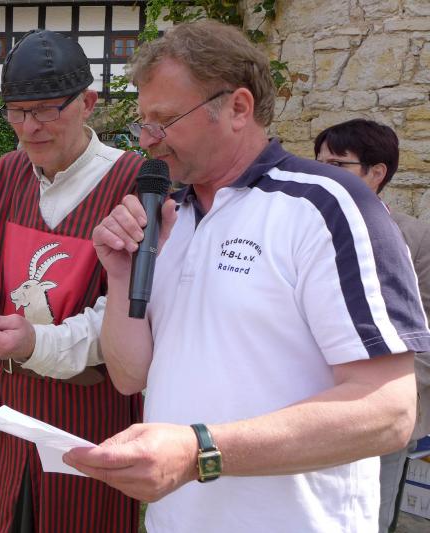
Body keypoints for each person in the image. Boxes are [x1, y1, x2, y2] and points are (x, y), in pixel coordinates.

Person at [62, 20, 430, 533]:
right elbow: (130, 376)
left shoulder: (327, 207)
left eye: (165, 120)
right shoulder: (170, 217)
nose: (147, 140)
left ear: (238, 107)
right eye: (144, 122)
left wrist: (200, 452)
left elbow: (387, 411)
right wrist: (121, 276)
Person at [0, 29, 145, 532]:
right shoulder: (6, 174)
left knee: (80, 520)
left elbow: (130, 316)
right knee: (7, 516)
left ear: (87, 103)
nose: (29, 127)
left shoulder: (134, 184)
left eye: (46, 110)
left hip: (89, 410)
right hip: (9, 403)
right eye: (16, 112)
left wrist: (35, 343)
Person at [314, 118, 430, 533]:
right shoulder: (303, 228)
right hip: (302, 407)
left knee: (368, 521)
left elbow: (426, 338)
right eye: (318, 162)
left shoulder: (417, 239)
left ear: (376, 172)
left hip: (377, 415)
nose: (322, 172)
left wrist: (380, 396)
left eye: (337, 164)